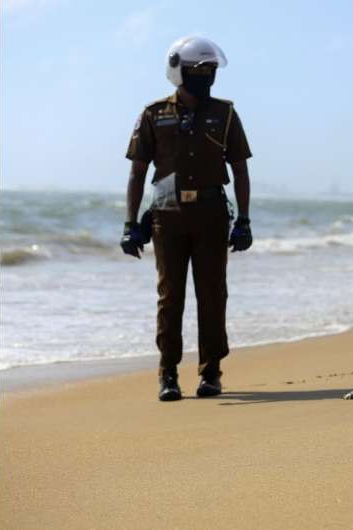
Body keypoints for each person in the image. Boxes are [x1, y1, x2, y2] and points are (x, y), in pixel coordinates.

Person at [121, 36, 253, 401]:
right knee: (170, 296)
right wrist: (130, 225)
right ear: (178, 70)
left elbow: (240, 170)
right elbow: (137, 173)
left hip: (212, 215)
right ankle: (168, 374)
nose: (207, 76)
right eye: (199, 70)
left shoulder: (225, 114)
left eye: (211, 70)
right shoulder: (153, 114)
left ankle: (211, 372)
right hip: (167, 216)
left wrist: (243, 220)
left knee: (213, 295)